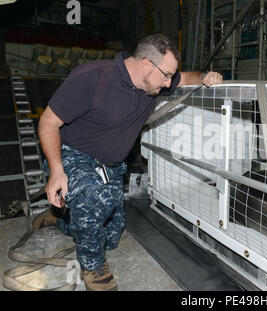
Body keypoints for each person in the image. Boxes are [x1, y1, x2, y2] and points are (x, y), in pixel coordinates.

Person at [36, 33, 223, 291]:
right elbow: (47, 122)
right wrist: (56, 171)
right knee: (93, 197)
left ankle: (62, 217)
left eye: (170, 76)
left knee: (111, 236)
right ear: (146, 64)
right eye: (166, 75)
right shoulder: (91, 77)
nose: (169, 83)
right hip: (71, 154)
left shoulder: (154, 81)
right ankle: (92, 267)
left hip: (110, 166)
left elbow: (185, 79)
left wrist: (204, 76)